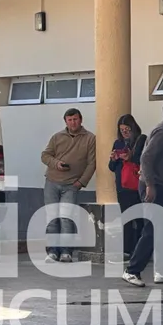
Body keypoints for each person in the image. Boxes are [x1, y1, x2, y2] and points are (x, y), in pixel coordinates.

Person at [121, 101, 163, 287]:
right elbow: (146, 158)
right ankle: (132, 270)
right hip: (154, 186)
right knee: (153, 229)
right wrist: (150, 185)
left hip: (159, 185)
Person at [40, 108, 96, 263]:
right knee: (52, 217)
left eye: (75, 119)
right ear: (65, 121)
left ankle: (66, 251)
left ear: (81, 119)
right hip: (52, 181)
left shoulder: (90, 138)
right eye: (70, 120)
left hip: (72, 184)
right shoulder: (57, 137)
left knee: (66, 218)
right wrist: (56, 163)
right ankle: (52, 251)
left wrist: (81, 182)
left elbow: (92, 163)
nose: (73, 123)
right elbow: (45, 155)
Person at [108, 114, 147, 258]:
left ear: (133, 128)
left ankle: (140, 249)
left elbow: (142, 160)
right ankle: (126, 249)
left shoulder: (141, 139)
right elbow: (111, 167)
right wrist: (114, 159)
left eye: (127, 129)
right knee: (126, 218)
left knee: (139, 218)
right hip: (122, 186)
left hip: (136, 184)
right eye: (122, 130)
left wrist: (129, 157)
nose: (124, 132)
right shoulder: (118, 143)